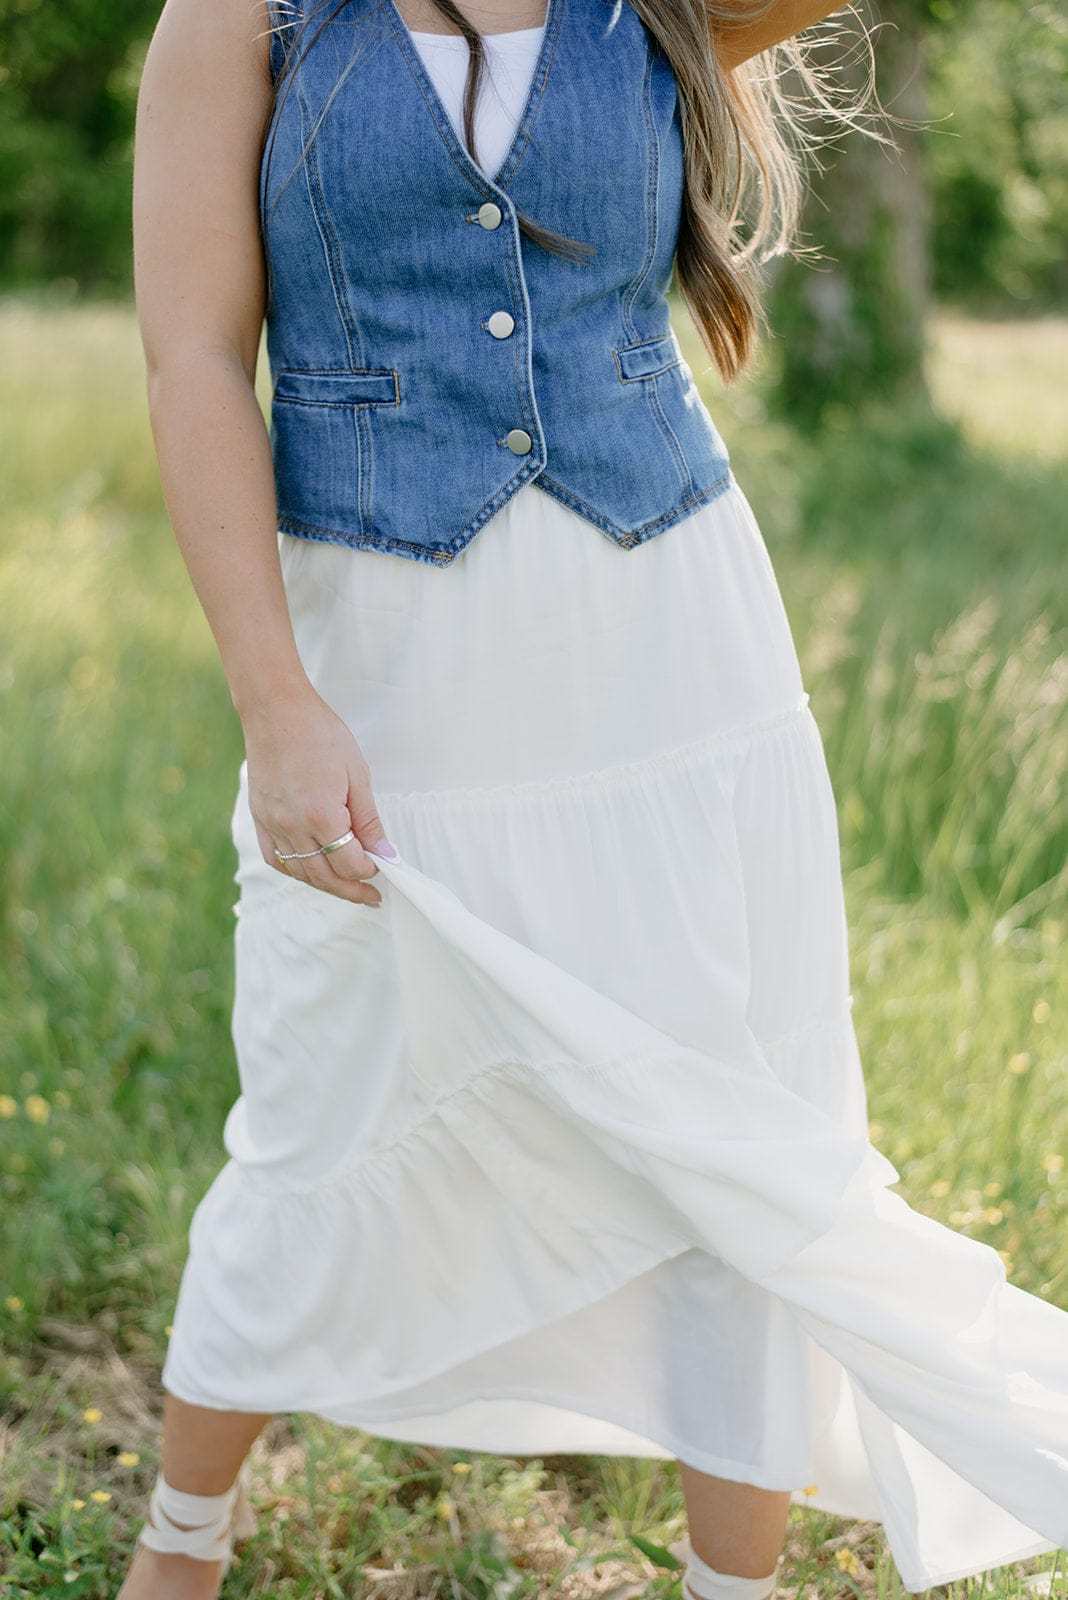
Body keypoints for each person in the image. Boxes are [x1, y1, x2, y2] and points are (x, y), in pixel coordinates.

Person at [124, 0, 1068, 1596]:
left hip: (670, 657)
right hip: (387, 665)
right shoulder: (244, 15)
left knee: (738, 1117)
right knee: (320, 1100)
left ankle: (731, 1585)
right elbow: (194, 358)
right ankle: (179, 1547)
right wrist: (276, 702)